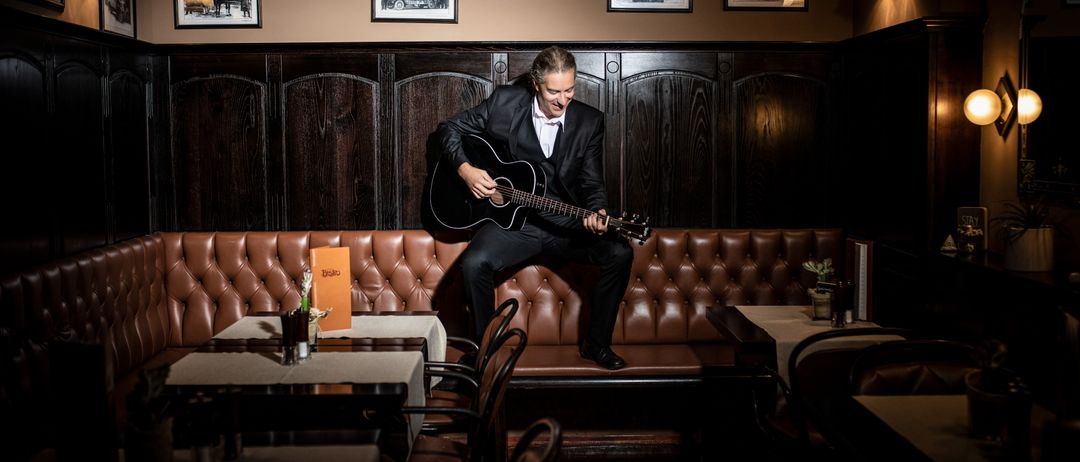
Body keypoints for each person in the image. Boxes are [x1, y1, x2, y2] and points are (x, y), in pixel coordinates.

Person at [436, 46, 633, 370]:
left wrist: (597, 211)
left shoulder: (589, 121)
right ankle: (485, 352)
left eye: (569, 90)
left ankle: (596, 344)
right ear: (536, 84)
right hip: (514, 224)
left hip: (566, 225)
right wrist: (466, 170)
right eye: (554, 91)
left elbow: (591, 182)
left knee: (620, 252)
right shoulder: (504, 104)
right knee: (473, 264)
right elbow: (449, 129)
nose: (563, 99)